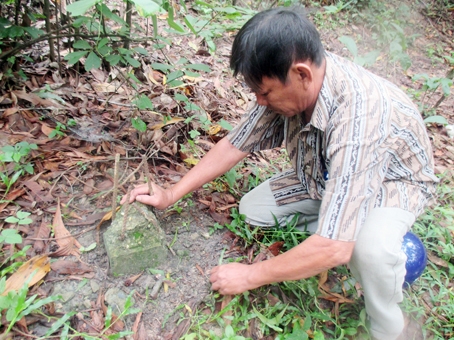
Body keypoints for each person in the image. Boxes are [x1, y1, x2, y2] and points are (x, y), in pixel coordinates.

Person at [121, 7, 438, 340]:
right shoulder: (290, 83)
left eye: (265, 93)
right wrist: (171, 194)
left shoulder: (360, 118)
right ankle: (345, 226)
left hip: (392, 183)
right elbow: (234, 144)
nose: (259, 102)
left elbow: (334, 249)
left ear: (301, 73)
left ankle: (393, 326)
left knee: (364, 250)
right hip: (327, 178)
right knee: (255, 209)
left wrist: (251, 275)